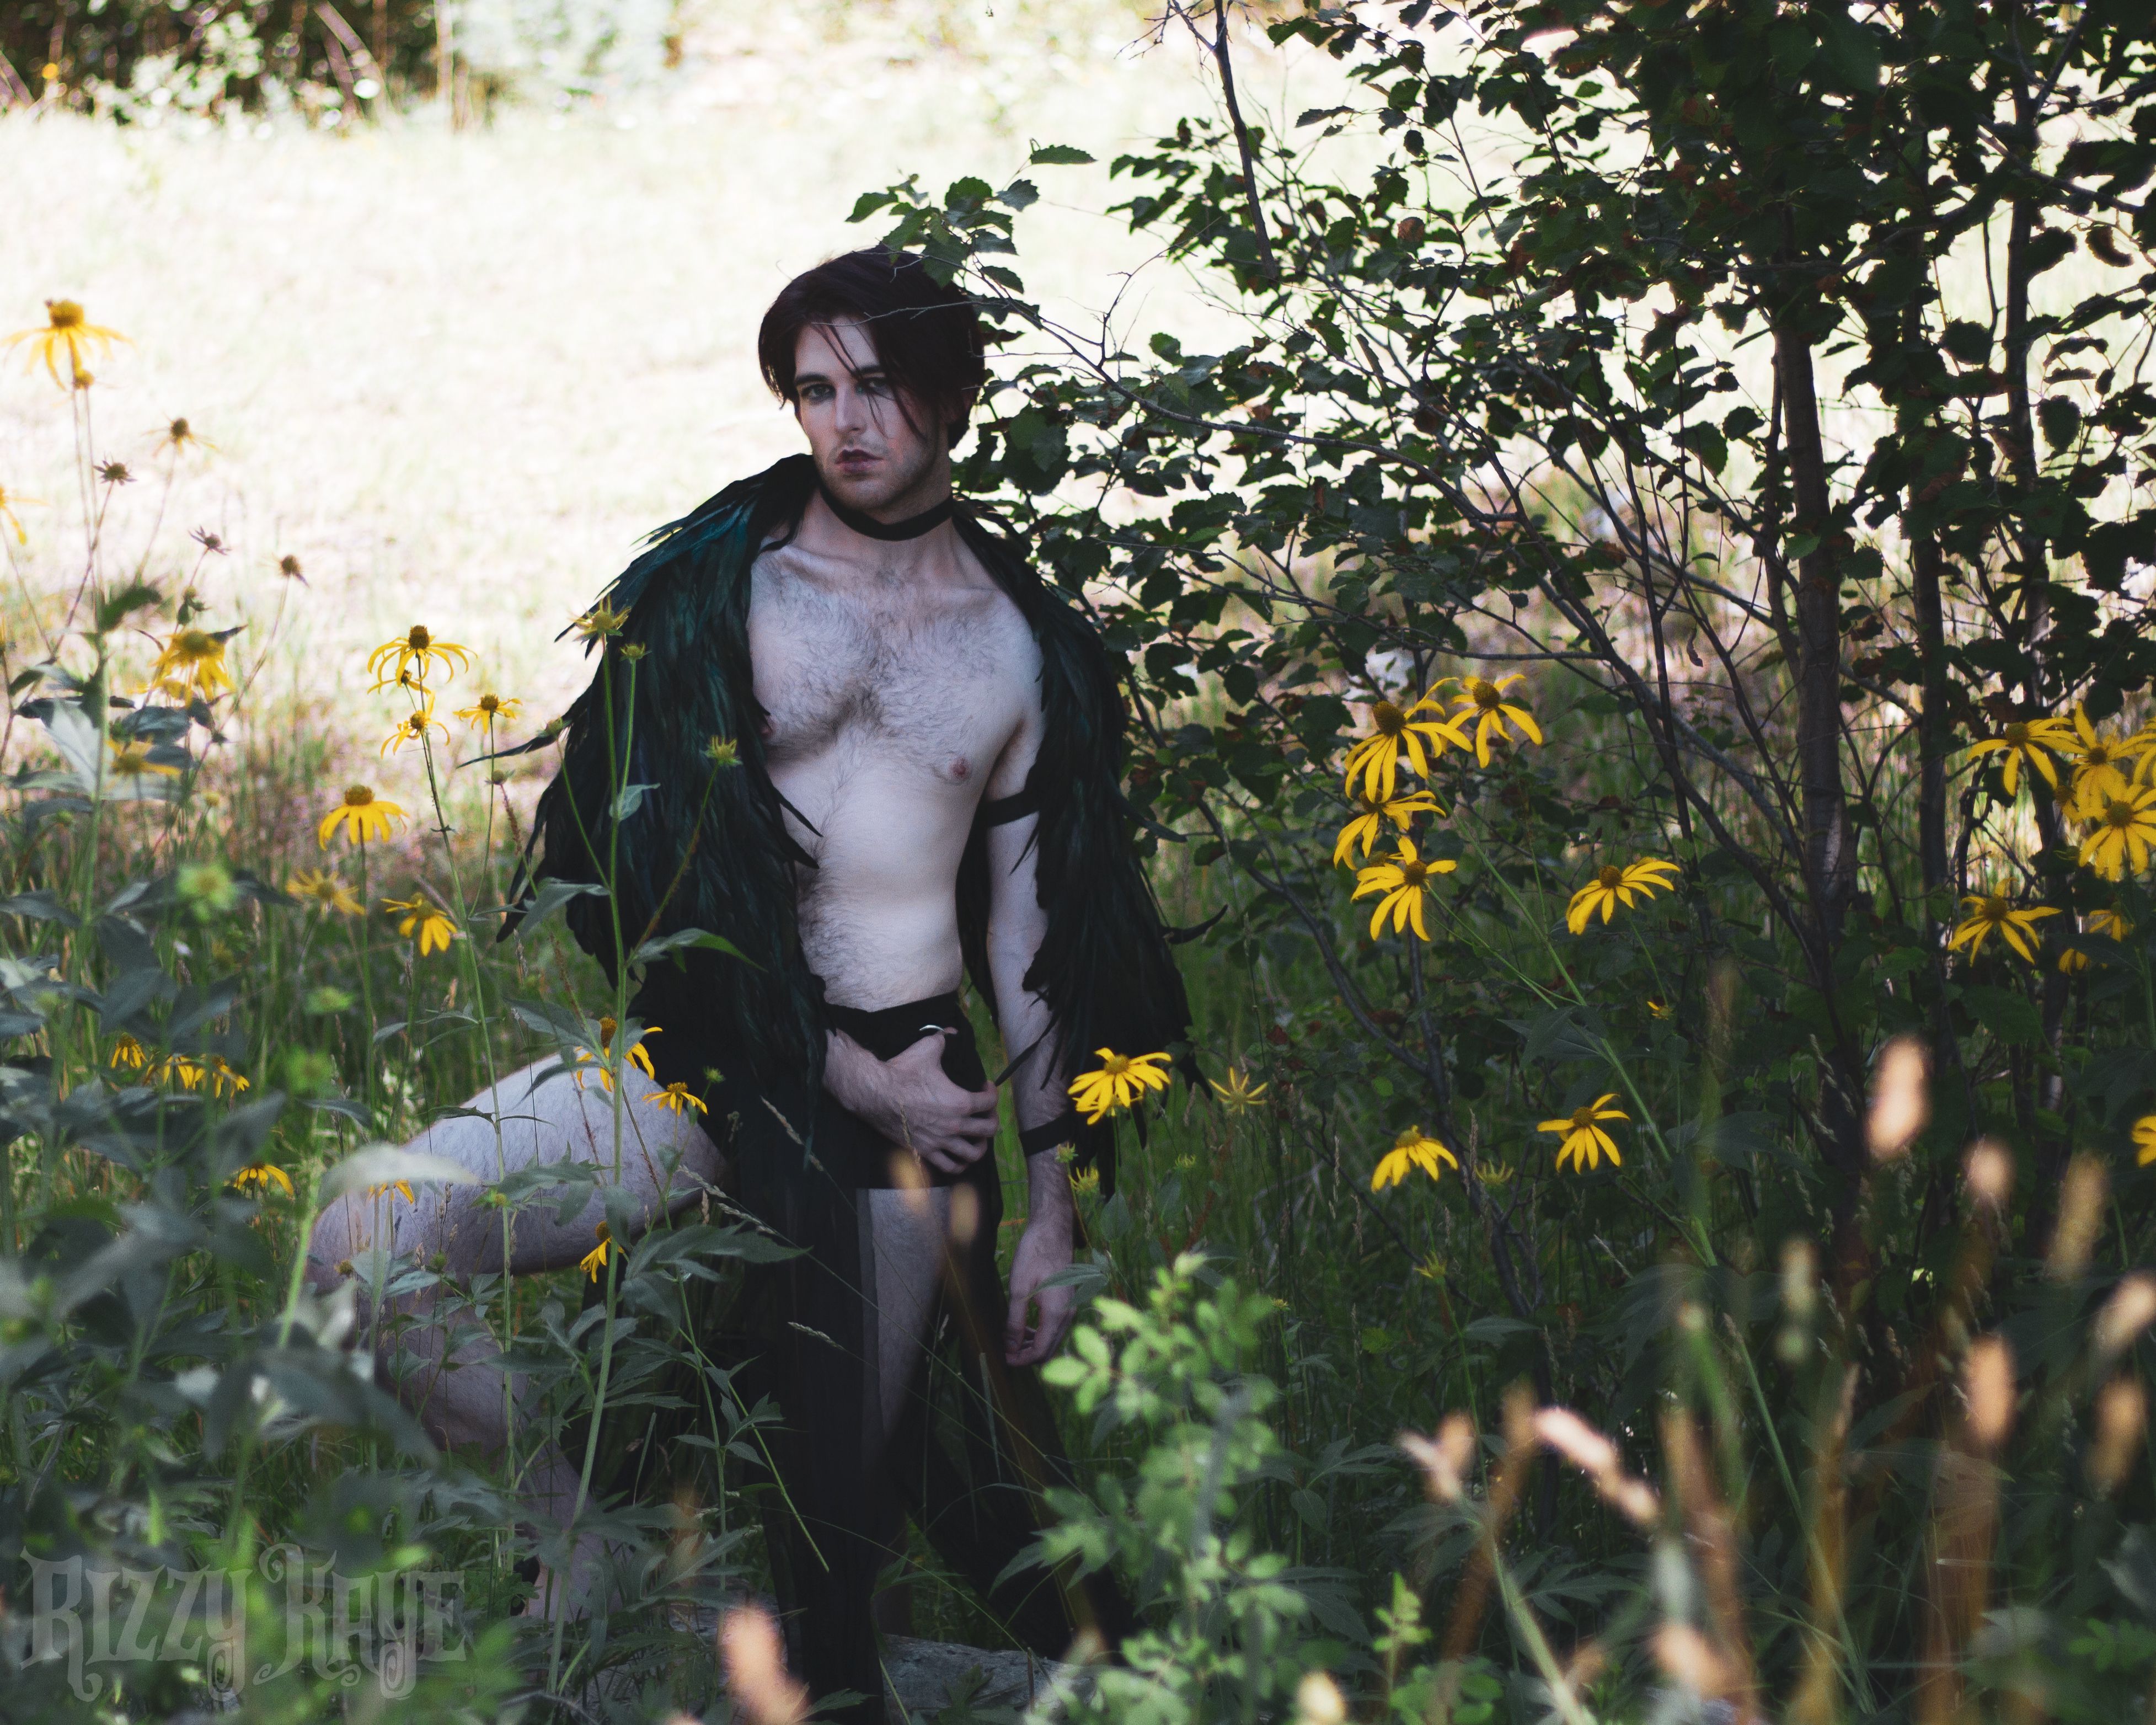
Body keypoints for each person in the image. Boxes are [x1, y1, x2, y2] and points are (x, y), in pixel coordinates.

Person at [309, 246, 1190, 1717]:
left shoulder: (1015, 647)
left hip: (905, 1106)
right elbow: (629, 865)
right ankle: (585, 1545)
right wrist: (819, 1058)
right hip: (713, 1055)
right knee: (366, 1240)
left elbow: (1041, 940)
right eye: (815, 391)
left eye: (878, 387)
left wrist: (1052, 1210)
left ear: (953, 396)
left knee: (832, 1551)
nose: (847, 423)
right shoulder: (724, 589)